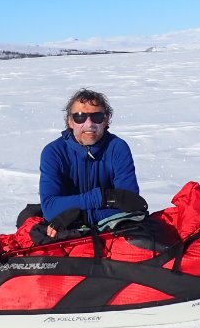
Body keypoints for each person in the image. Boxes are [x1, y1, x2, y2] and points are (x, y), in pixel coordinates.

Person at [30, 88, 147, 239]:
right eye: (80, 117)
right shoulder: (54, 152)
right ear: (70, 121)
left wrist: (81, 217)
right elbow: (51, 209)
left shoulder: (117, 148)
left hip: (108, 233)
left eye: (97, 116)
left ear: (106, 120)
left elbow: (132, 205)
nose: (89, 124)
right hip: (67, 236)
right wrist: (103, 198)